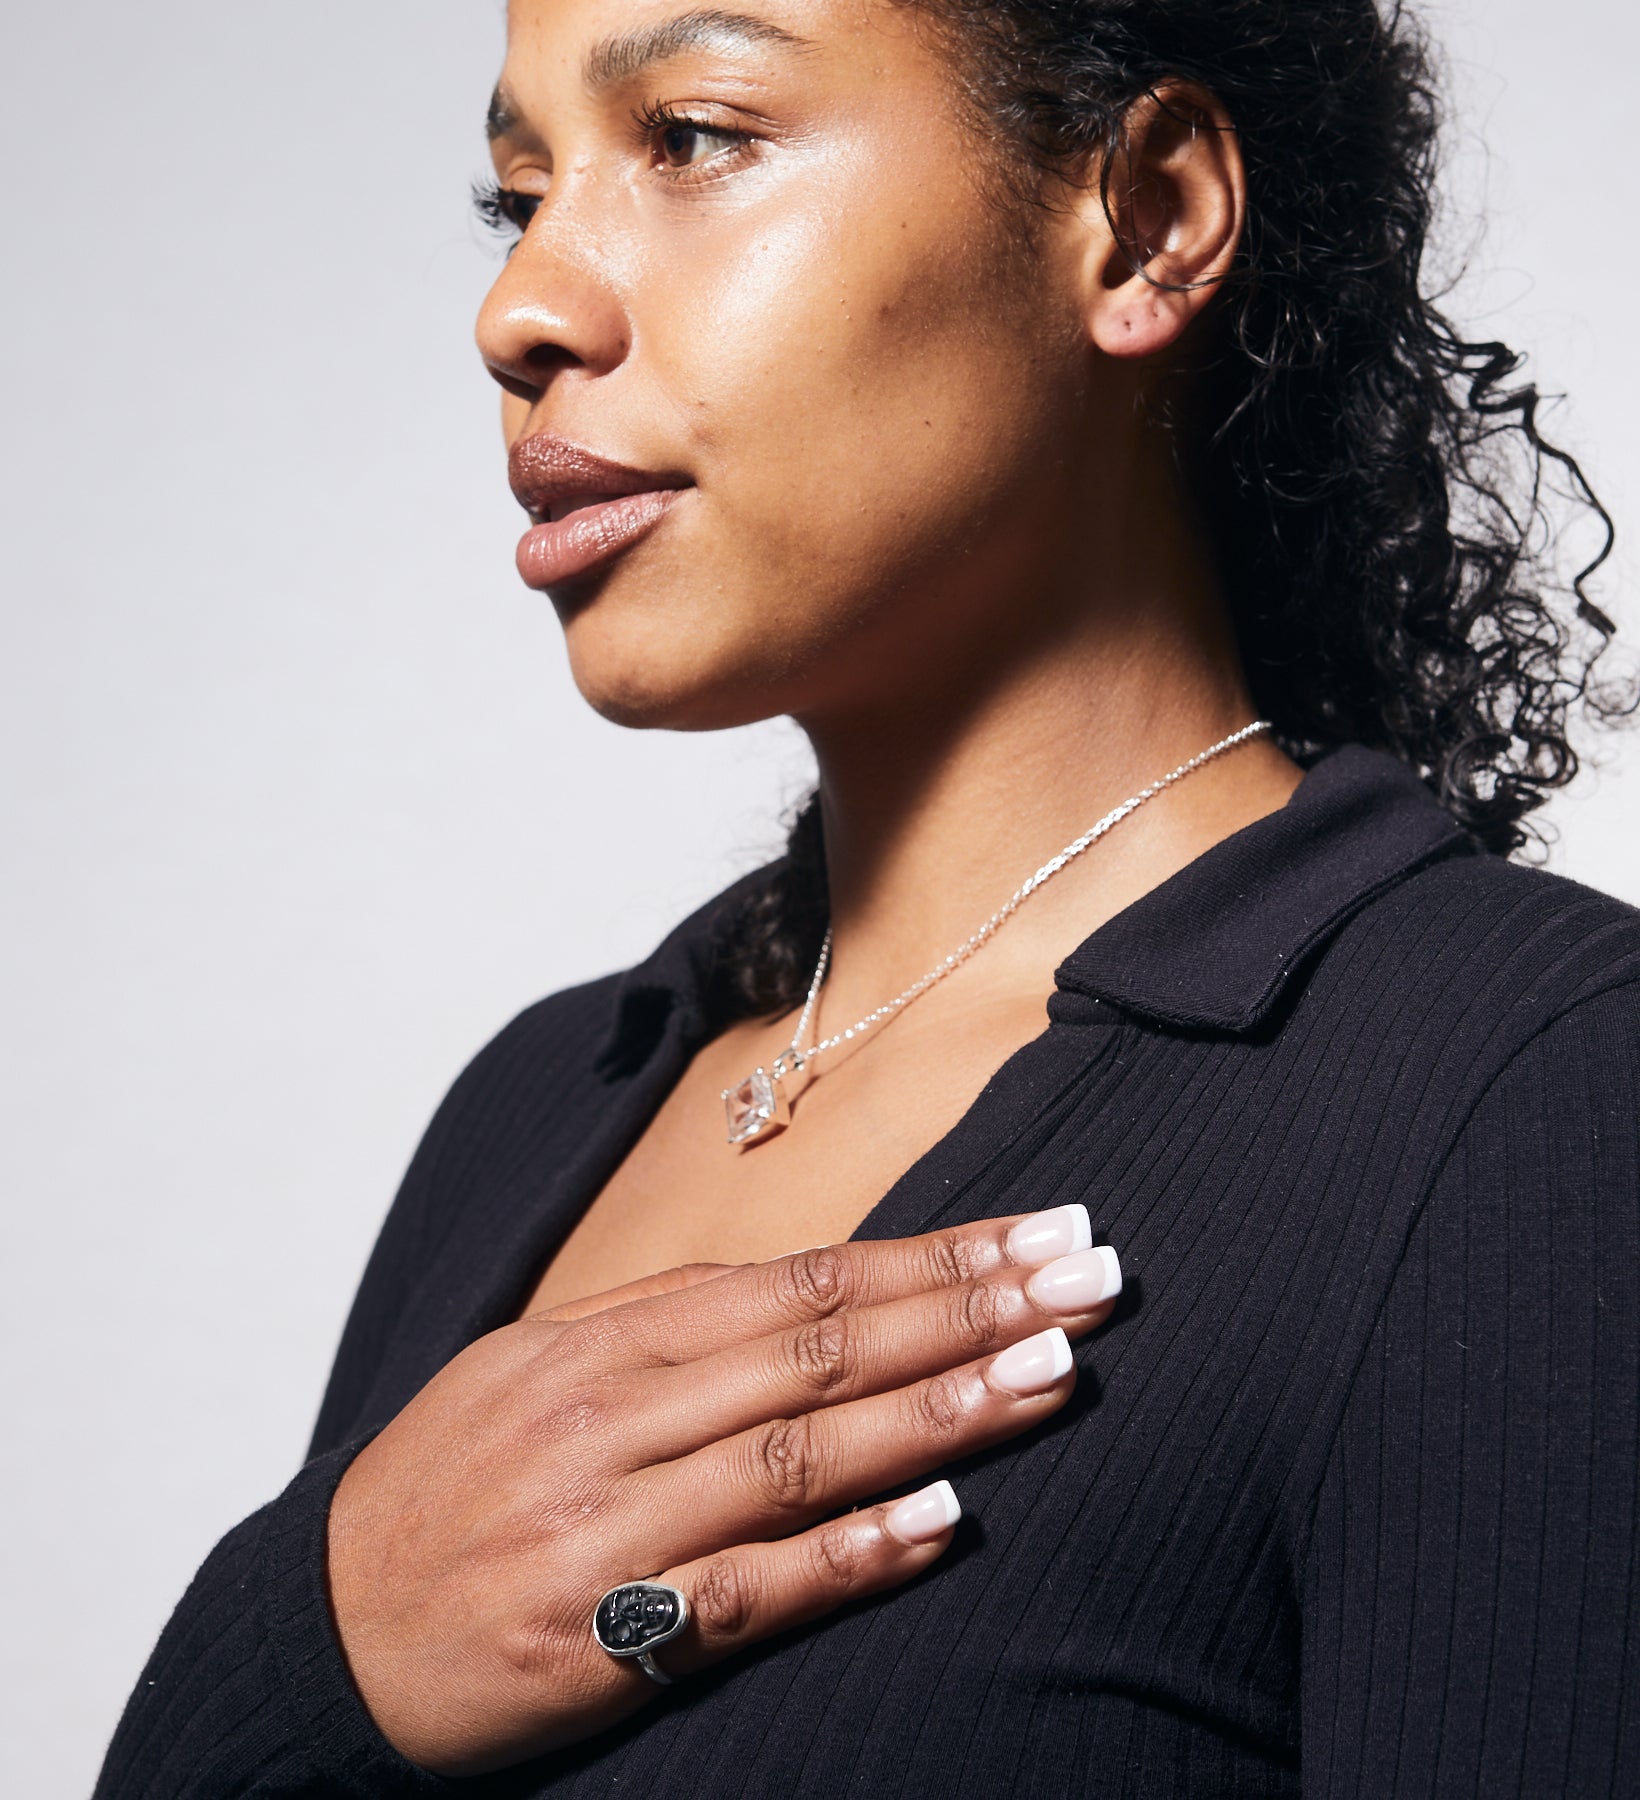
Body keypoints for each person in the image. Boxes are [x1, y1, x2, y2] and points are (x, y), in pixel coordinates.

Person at [96, 1, 1640, 1794]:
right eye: (519, 195)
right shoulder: (544, 1103)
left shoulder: (1531, 1100)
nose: (520, 310)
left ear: (1145, 218)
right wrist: (301, 1641)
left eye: (693, 137)